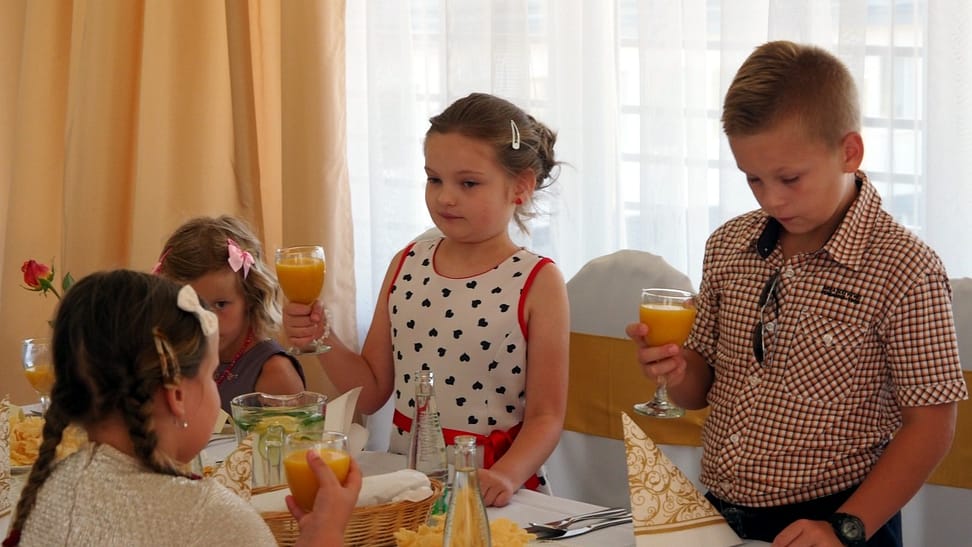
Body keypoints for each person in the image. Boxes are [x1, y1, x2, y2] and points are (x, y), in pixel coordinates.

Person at [626, 40, 968, 546]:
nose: (772, 199)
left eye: (790, 178)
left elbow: (932, 425)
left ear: (849, 152)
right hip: (722, 513)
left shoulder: (904, 267)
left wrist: (846, 527)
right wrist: (674, 369)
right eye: (753, 179)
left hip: (837, 520)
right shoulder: (728, 245)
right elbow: (697, 392)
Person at [283, 92, 570, 507]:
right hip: (409, 485)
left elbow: (546, 416)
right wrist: (321, 337)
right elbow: (371, 393)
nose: (445, 197)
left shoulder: (538, 281)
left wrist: (505, 476)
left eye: (467, 183)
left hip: (491, 489)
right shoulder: (407, 262)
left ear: (521, 186)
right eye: (434, 179)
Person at [2, 270, 361, 547]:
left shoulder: (47, 492)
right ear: (176, 396)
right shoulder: (213, 519)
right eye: (210, 375)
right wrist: (325, 535)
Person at [154, 215, 307, 413]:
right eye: (191, 305)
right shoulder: (174, 360)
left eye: (220, 304)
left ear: (250, 297)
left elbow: (297, 434)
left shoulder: (274, 373)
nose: (207, 320)